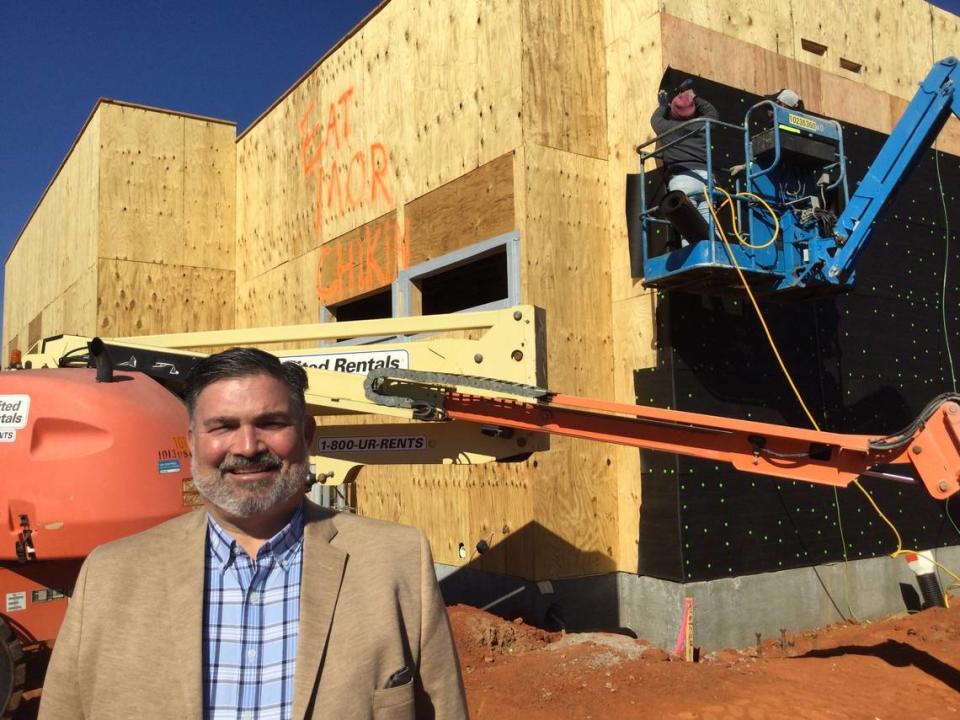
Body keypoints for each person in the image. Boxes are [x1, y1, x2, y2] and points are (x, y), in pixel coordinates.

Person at [39, 347, 468, 720]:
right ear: (191, 441)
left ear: (307, 434)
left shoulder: (396, 560)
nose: (247, 447)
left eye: (271, 422)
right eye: (223, 426)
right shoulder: (110, 576)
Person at [650, 81, 720, 242]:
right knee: (710, 230)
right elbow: (712, 113)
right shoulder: (702, 125)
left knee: (689, 234)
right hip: (704, 180)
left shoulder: (666, 128)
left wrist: (663, 105)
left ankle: (696, 267)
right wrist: (693, 97)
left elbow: (655, 119)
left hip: (682, 182)